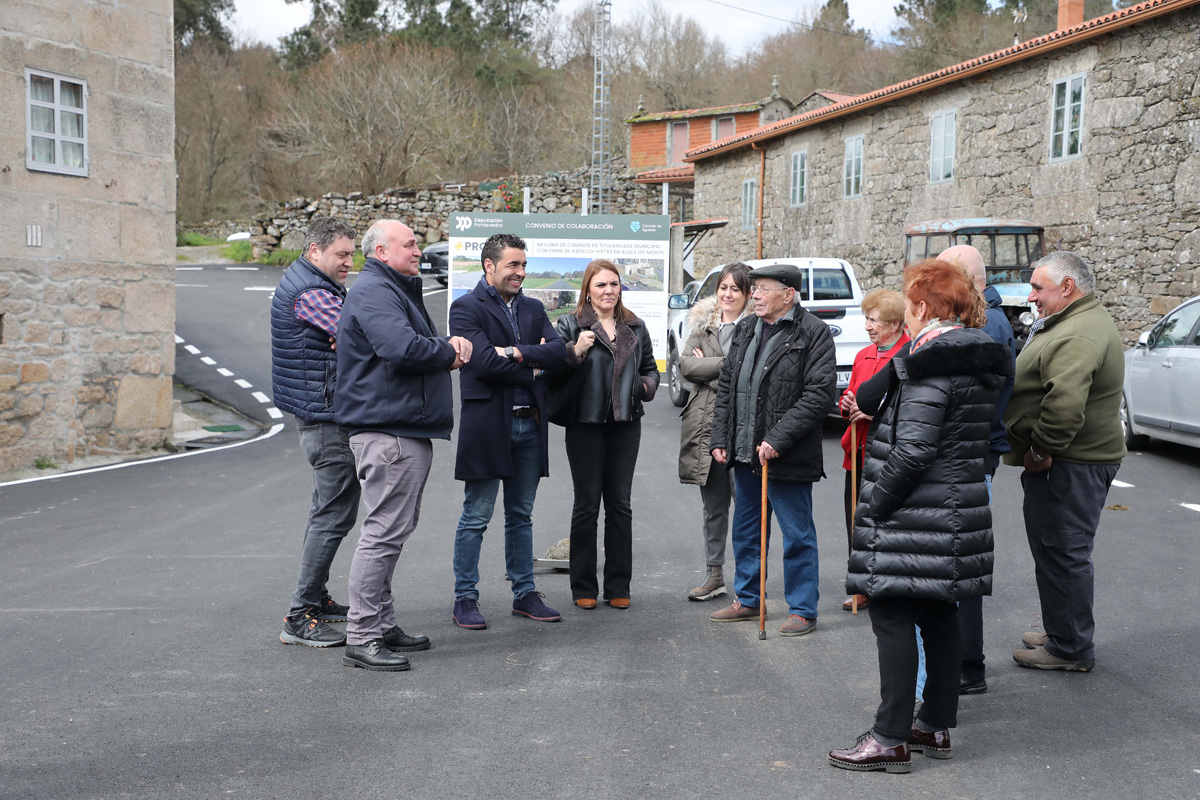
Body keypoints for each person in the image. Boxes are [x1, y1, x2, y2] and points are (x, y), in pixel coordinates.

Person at [829, 259, 1009, 773]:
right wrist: (909, 348)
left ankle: (889, 736)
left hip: (916, 511)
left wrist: (876, 505)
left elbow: (912, 451)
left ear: (923, 307)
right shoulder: (965, 353)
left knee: (890, 613)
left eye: (909, 306)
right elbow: (874, 399)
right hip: (949, 511)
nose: (904, 316)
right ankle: (933, 723)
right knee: (937, 613)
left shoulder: (936, 363)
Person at [335, 220, 472, 671]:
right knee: (382, 535)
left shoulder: (391, 288)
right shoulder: (377, 291)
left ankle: (381, 623)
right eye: (409, 244)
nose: (418, 251)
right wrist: (448, 351)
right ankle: (364, 634)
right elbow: (401, 348)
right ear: (380, 251)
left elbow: (408, 345)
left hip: (399, 428)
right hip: (388, 430)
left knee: (391, 532)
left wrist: (439, 346)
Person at [1004, 251, 1125, 673]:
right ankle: (1063, 630)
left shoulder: (1077, 333)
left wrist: (1040, 451)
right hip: (1074, 461)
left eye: (1039, 288)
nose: (1032, 296)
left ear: (1068, 287)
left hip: (1069, 463)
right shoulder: (1077, 321)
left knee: (1063, 550)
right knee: (1057, 549)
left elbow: (1065, 406)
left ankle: (1070, 647)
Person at [707, 263, 836, 637]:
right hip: (745, 453)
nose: (756, 295)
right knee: (747, 531)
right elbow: (728, 387)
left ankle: (802, 609)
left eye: (763, 289)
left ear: (789, 294)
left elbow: (818, 396)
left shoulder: (813, 333)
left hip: (786, 455)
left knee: (797, 535)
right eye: (755, 289)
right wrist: (721, 438)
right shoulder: (747, 328)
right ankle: (748, 599)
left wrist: (778, 438)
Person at [447, 233, 567, 629]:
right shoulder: (465, 308)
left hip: (529, 423)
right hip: (488, 424)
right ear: (489, 265)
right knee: (476, 516)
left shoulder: (533, 306)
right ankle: (465, 598)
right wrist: (533, 362)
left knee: (521, 515)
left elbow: (560, 353)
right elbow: (481, 363)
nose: (521, 272)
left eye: (524, 265)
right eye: (513, 265)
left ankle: (525, 593)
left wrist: (515, 352)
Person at [547, 260, 659, 610]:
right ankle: (583, 586)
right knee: (586, 505)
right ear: (588, 290)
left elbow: (651, 369)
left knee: (620, 505)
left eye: (614, 284)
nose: (608, 290)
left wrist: (643, 388)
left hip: (626, 424)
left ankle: (618, 586)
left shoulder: (635, 326)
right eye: (601, 285)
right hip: (585, 423)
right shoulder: (570, 323)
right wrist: (574, 349)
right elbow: (553, 368)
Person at [271, 216, 360, 649]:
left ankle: (316, 599)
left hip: (318, 410)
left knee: (326, 511)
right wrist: (351, 337)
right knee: (334, 515)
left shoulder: (309, 281)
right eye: (342, 254)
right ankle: (300, 614)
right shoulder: (311, 292)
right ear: (315, 251)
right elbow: (366, 335)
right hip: (326, 417)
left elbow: (351, 332)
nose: (350, 262)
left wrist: (347, 337)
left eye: (351, 253)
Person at [939, 244, 1016, 694]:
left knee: (959, 565)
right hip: (972, 455)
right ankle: (966, 664)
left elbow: (971, 404)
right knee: (958, 562)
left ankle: (968, 665)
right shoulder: (987, 323)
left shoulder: (988, 328)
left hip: (970, 458)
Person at [676, 262, 754, 602]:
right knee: (714, 507)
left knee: (748, 508)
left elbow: (750, 374)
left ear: (748, 294)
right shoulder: (702, 326)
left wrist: (707, 368)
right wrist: (727, 367)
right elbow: (685, 365)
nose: (727, 294)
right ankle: (715, 575)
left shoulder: (754, 328)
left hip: (743, 429)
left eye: (735, 289)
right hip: (707, 428)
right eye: (723, 287)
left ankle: (750, 582)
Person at [837, 289, 909, 613]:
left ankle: (889, 584)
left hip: (888, 453)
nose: (867, 325)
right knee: (855, 521)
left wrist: (871, 412)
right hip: (857, 450)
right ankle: (862, 585)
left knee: (886, 522)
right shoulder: (863, 355)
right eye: (867, 318)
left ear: (894, 324)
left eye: (874, 320)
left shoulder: (907, 354)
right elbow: (851, 394)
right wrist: (848, 403)